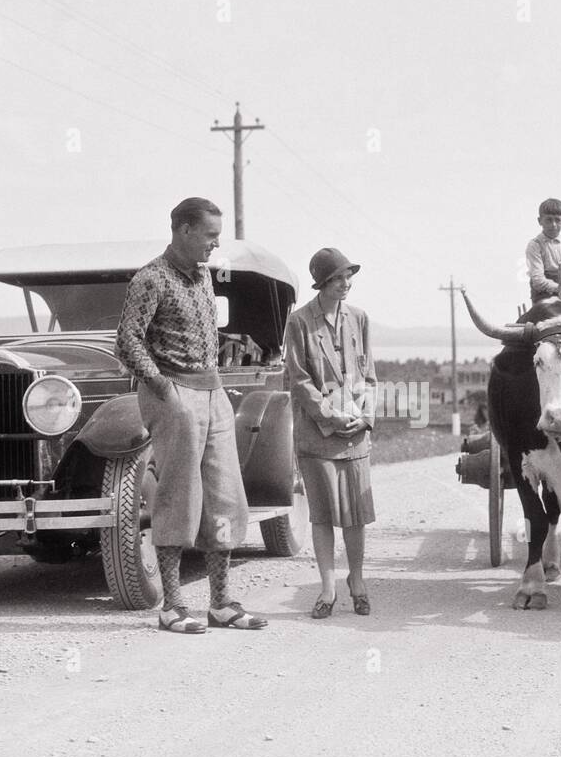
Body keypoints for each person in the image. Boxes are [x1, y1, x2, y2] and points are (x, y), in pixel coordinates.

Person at [115, 196, 266, 633]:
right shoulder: (151, 278)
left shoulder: (202, 277)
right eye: (209, 236)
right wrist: (163, 387)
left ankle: (221, 604)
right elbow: (127, 340)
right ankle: (173, 607)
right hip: (174, 393)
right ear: (183, 230)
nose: (215, 245)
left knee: (224, 496)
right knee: (178, 498)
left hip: (212, 391)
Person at [283, 248, 377, 619]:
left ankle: (358, 581)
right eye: (338, 278)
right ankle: (327, 588)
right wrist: (332, 417)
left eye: (349, 276)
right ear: (322, 282)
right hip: (317, 435)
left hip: (355, 434)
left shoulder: (360, 319)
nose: (346, 283)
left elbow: (369, 375)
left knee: (355, 515)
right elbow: (300, 381)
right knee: (322, 516)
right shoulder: (299, 323)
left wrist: (365, 417)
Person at [525, 197, 561, 303]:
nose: (553, 225)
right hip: (543, 296)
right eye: (549, 220)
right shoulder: (535, 245)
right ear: (540, 221)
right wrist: (559, 289)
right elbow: (538, 280)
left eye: (557, 220)